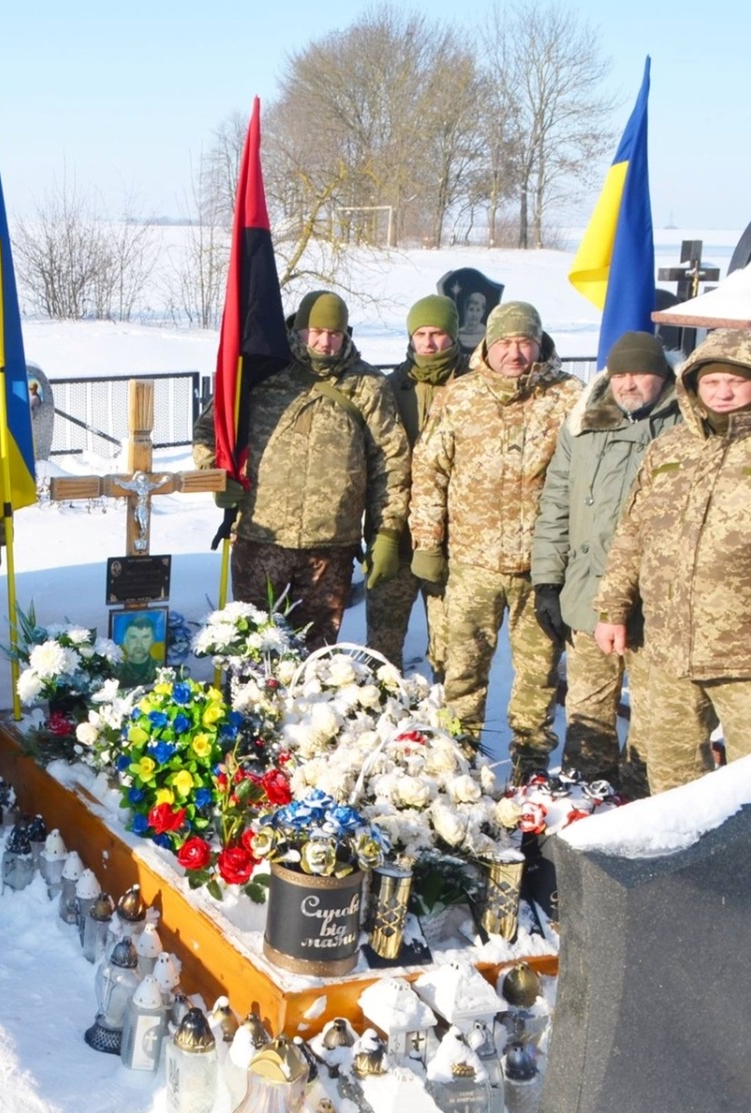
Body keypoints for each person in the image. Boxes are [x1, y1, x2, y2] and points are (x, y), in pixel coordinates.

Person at [593, 329, 751, 794]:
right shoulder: (669, 447)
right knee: (671, 779)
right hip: (667, 650)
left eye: (735, 382)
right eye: (711, 382)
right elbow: (633, 533)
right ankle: (674, 866)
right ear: (692, 385)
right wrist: (612, 609)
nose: (722, 392)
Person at [409, 300, 580, 777]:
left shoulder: (568, 397)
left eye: (525, 341)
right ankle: (457, 767)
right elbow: (429, 472)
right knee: (460, 672)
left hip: (541, 569)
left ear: (540, 343)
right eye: (504, 342)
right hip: (471, 564)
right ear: (488, 344)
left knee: (540, 674)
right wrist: (427, 543)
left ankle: (531, 768)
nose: (515, 352)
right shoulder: (459, 396)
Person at [192, 289, 409, 651]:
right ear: (299, 330)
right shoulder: (262, 372)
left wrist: (385, 531)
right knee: (251, 648)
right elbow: (210, 431)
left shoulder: (368, 385)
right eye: (317, 332)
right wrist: (217, 475)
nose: (325, 342)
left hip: (331, 549)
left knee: (316, 654)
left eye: (335, 334)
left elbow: (390, 461)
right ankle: (248, 709)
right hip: (262, 538)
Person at [530, 332, 682, 795]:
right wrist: (547, 582)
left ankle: (638, 810)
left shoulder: (685, 427)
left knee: (653, 727)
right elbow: (556, 503)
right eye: (619, 374)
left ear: (664, 377)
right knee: (588, 717)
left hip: (655, 609)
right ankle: (585, 805)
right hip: (587, 598)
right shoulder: (582, 425)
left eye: (640, 374)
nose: (628, 384)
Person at [367, 295, 471, 669]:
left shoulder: (474, 387)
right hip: (394, 535)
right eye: (420, 333)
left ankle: (443, 721)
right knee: (382, 645)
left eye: (438, 333)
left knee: (450, 651)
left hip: (455, 542)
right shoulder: (387, 388)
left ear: (453, 335)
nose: (428, 343)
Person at [116, 613, 161, 686]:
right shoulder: (115, 671)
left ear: (152, 640)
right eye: (133, 637)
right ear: (125, 640)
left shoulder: (163, 669)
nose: (139, 644)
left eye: (145, 637)